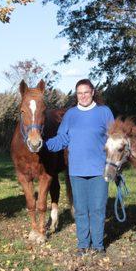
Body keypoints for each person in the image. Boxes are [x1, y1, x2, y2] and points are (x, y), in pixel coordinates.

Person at [45, 79, 114, 255]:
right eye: (79, 93)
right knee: (81, 209)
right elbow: (62, 139)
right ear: (77, 95)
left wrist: (114, 166)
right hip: (76, 170)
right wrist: (44, 145)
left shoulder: (104, 112)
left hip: (99, 170)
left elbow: (113, 140)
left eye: (86, 92)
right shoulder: (71, 115)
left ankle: (98, 245)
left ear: (92, 92)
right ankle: (83, 244)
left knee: (98, 210)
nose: (83, 96)